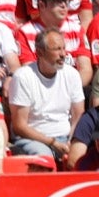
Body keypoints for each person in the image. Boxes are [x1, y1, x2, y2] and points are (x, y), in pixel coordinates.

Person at [8, 28, 85, 162]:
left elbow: (78, 114)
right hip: (33, 140)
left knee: (82, 156)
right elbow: (19, 126)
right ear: (40, 52)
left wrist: (71, 140)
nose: (63, 54)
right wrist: (52, 142)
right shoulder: (23, 77)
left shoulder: (72, 74)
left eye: (63, 48)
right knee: (45, 158)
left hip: (66, 137)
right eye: (56, 49)